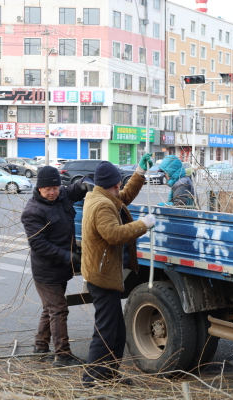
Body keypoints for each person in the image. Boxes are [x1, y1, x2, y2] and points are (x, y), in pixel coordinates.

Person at [81, 154, 156, 387]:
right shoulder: (102, 205)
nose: (120, 188)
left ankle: (109, 375)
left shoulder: (101, 196)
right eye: (119, 185)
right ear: (114, 184)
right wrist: (143, 224)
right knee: (105, 331)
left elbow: (123, 198)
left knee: (117, 331)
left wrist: (139, 173)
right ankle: (90, 379)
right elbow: (114, 234)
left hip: (104, 272)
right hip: (101, 276)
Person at [21, 166, 92, 368]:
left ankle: (40, 347)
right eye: (48, 189)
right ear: (39, 188)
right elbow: (39, 245)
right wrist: (69, 256)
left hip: (61, 268)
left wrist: (85, 183)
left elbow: (75, 189)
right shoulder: (32, 212)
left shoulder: (62, 195)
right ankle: (62, 356)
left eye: (55, 187)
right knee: (59, 310)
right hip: (47, 270)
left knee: (50, 308)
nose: (52, 192)